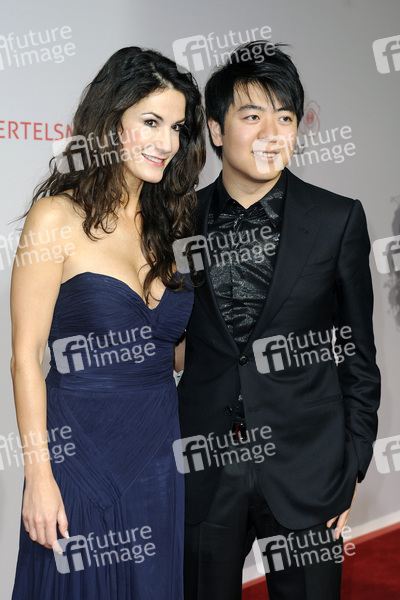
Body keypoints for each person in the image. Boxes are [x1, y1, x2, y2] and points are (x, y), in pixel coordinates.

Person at [176, 41, 380, 600]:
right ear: (216, 130)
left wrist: (352, 463)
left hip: (308, 471)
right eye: (252, 116)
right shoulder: (178, 221)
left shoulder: (337, 218)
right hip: (206, 471)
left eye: (285, 118)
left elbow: (358, 354)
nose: (272, 133)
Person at [10, 46, 205, 600]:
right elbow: (25, 357)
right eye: (151, 122)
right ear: (109, 119)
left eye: (176, 128)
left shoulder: (174, 227)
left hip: (158, 453)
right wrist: (39, 477)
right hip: (78, 453)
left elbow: (171, 351)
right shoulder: (56, 217)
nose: (166, 142)